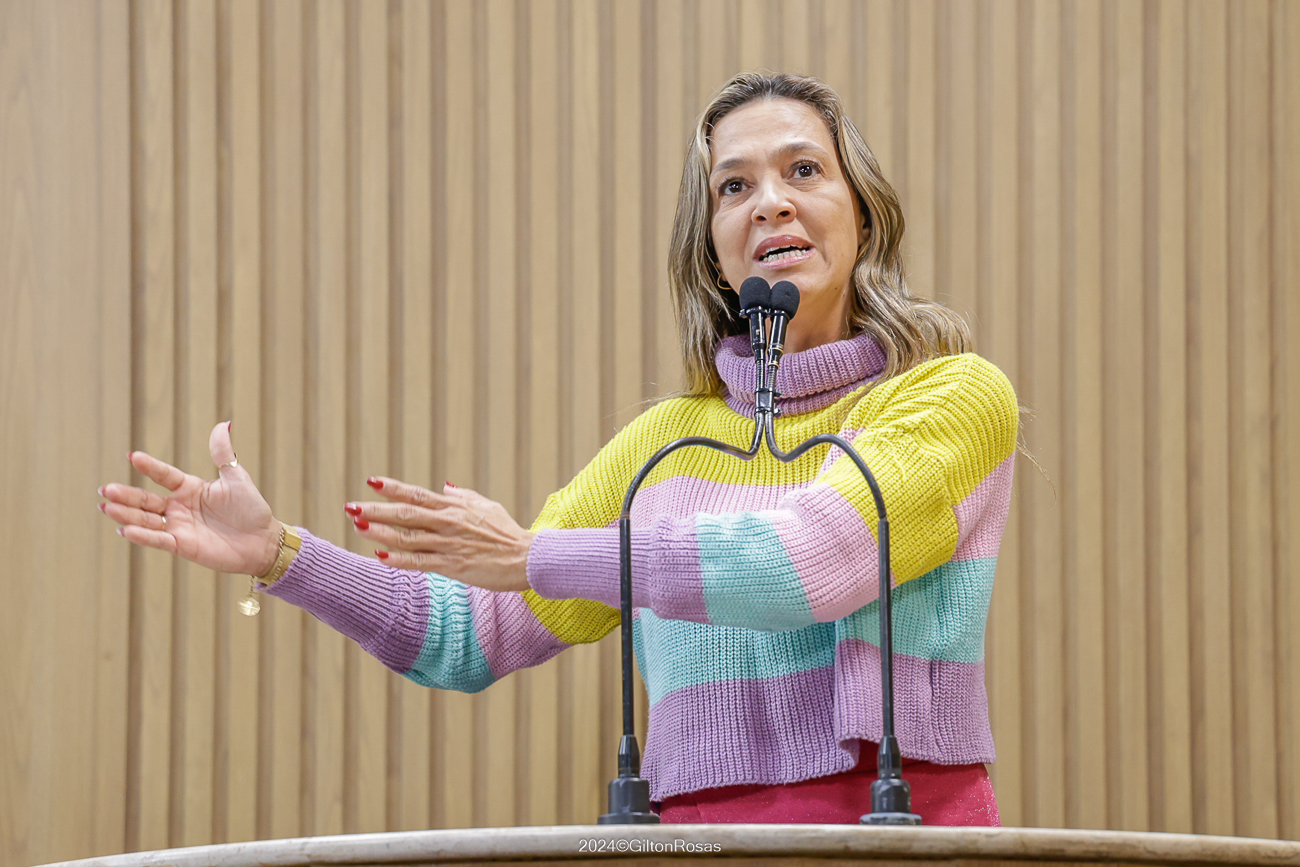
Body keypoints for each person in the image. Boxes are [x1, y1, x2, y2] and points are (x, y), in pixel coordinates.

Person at [98, 72, 1016, 826]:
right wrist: (280, 554)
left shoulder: (953, 396)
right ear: (712, 247)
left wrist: (535, 553)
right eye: (733, 187)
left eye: (803, 170)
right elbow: (468, 635)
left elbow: (809, 562)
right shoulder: (664, 446)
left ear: (864, 214)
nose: (770, 203)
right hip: (698, 843)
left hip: (903, 831)